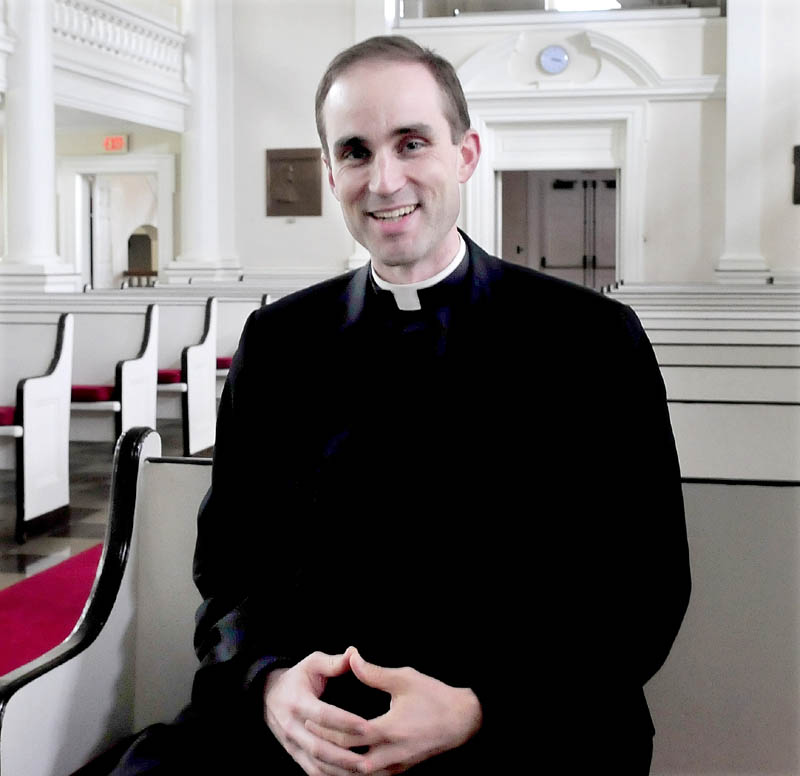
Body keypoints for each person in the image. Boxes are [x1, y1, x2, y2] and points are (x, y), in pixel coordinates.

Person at [111, 34, 690, 776]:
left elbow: (645, 586)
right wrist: (268, 685)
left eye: (411, 143)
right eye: (356, 152)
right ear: (330, 173)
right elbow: (231, 563)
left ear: (466, 154)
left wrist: (481, 708)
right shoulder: (281, 339)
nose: (385, 180)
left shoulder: (589, 338)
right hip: (311, 724)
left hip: (523, 722)